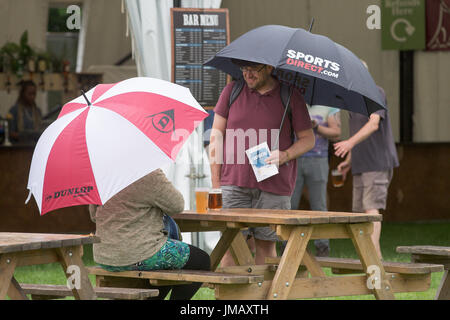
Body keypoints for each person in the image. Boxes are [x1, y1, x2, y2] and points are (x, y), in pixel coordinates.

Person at [209, 59, 315, 266]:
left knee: (266, 247)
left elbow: (308, 139)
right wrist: (215, 187)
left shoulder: (290, 95)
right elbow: (216, 138)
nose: (248, 74)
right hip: (233, 184)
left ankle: (264, 296)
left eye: (253, 70)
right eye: (244, 69)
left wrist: (285, 155)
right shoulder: (232, 91)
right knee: (231, 245)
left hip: (274, 186)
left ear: (269, 67)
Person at [89, 169, 210, 300]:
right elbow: (177, 205)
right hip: (138, 252)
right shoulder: (147, 173)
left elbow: (93, 215)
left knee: (166, 265)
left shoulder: (103, 175)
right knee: (202, 260)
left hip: (105, 255)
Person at [333, 62, 399, 260]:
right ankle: (366, 259)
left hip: (377, 163)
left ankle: (374, 260)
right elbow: (358, 132)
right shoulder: (351, 101)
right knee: (360, 214)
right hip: (361, 165)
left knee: (371, 210)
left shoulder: (375, 92)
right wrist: (350, 161)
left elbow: (373, 124)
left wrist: (348, 144)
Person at [290, 105, 341, 257]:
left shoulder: (329, 106)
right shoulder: (293, 102)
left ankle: (322, 247)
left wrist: (316, 126)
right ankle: (287, 247)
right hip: (294, 158)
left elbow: (337, 133)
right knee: (289, 205)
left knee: (319, 205)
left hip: (318, 159)